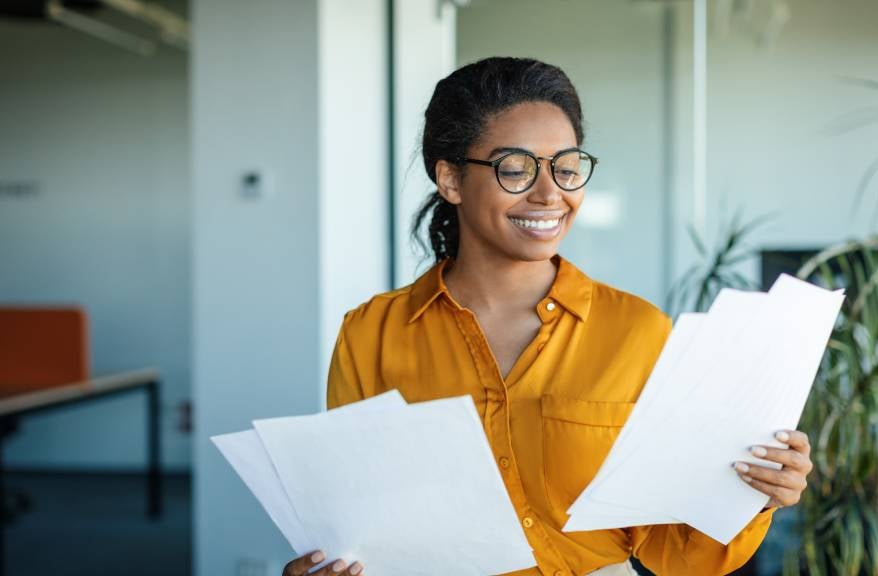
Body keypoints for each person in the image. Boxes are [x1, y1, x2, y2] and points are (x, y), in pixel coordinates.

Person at [282, 56, 812, 576]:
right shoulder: (371, 333)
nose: (549, 193)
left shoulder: (636, 331)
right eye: (515, 169)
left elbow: (678, 553)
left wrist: (755, 494)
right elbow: (356, 528)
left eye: (565, 167)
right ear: (450, 180)